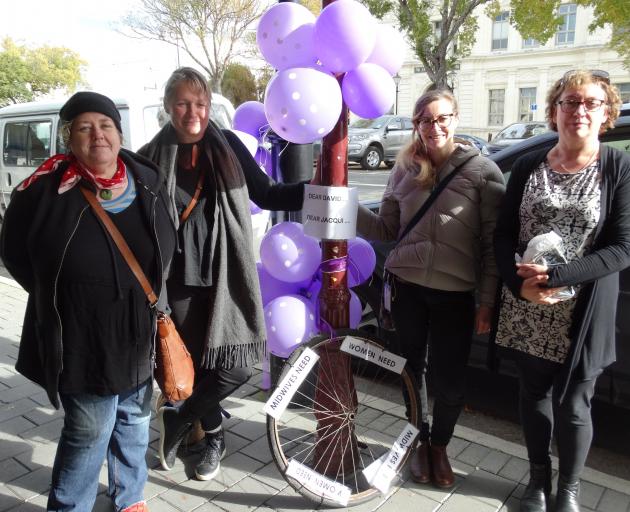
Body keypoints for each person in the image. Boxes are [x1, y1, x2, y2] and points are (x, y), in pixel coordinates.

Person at [0, 92, 176, 512]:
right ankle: (69, 506)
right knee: (90, 428)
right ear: (70, 138)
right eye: (84, 127)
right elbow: (14, 253)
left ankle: (129, 496)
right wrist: (57, 293)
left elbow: (165, 239)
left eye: (106, 125)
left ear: (118, 132)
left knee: (135, 418)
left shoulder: (146, 177)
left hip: (137, 329)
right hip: (80, 333)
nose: (97, 135)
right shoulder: (41, 190)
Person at [138, 67, 306, 481]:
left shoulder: (228, 145)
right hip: (174, 283)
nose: (192, 111)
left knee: (237, 366)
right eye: (182, 103)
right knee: (193, 367)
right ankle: (212, 437)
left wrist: (316, 186)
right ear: (167, 107)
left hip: (225, 279)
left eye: (200, 103)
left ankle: (179, 420)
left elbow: (268, 193)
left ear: (209, 106)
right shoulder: (148, 157)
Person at [494, 70, 630, 512]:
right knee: (532, 396)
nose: (580, 111)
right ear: (554, 110)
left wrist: (556, 277)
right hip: (529, 307)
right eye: (571, 102)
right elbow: (501, 237)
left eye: (591, 102)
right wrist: (520, 285)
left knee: (574, 406)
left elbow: (622, 247)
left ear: (606, 112)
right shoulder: (529, 166)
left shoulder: (617, 167)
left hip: (582, 311)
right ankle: (537, 483)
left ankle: (568, 491)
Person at [356, 89, 505, 488]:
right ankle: (418, 442)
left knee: (451, 381)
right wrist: (346, 208)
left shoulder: (482, 172)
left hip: (454, 295)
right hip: (407, 289)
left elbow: (493, 247)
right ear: (416, 124)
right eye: (425, 119)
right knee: (410, 372)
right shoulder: (403, 169)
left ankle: (440, 447)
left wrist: (487, 301)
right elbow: (386, 230)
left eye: (442, 118)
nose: (434, 127)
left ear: (455, 119)